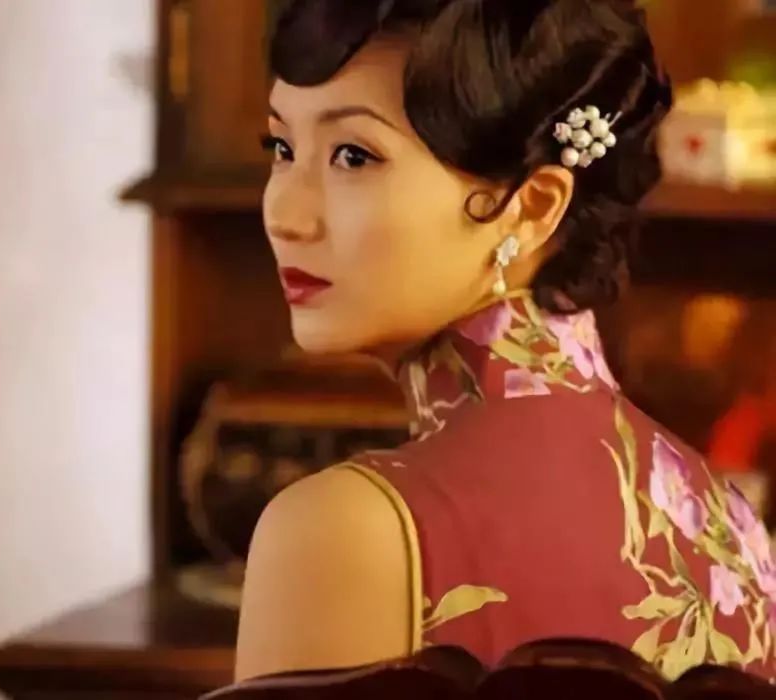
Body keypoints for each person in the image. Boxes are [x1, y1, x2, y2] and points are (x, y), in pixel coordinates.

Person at [235, 0, 776, 683]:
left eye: (354, 156)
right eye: (282, 149)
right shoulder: (734, 527)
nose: (285, 214)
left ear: (535, 205)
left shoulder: (343, 531)